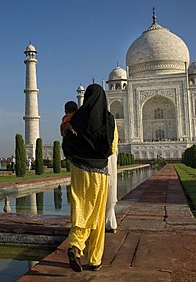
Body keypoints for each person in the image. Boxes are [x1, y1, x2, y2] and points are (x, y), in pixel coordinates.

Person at [62, 84, 115, 273]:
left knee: (80, 209)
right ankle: (95, 259)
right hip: (99, 173)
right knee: (97, 217)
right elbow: (112, 148)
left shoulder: (76, 119)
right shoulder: (108, 120)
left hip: (78, 171)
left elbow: (66, 144)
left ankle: (76, 246)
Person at [105, 123, 119, 233]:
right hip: (110, 156)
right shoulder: (110, 121)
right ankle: (110, 222)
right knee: (110, 191)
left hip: (99, 160)